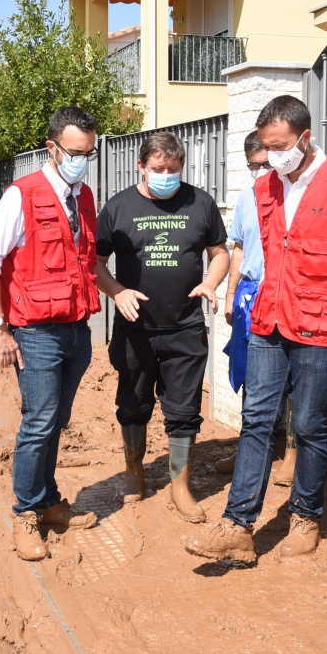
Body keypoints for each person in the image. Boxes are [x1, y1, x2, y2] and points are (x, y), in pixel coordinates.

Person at [186, 94, 327, 564]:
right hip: (270, 318)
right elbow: (255, 249)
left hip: (321, 324)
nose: (274, 157)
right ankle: (237, 524)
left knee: (311, 424)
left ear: (305, 137)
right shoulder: (265, 189)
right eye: (267, 148)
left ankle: (306, 515)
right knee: (257, 418)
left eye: (281, 147)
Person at [0, 106, 102, 562]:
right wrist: (0, 328)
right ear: (52, 148)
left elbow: (85, 261)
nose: (82, 161)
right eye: (75, 152)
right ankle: (25, 512)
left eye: (89, 153)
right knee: (39, 421)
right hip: (35, 332)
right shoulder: (21, 195)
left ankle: (47, 502)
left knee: (56, 420)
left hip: (76, 330)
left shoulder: (83, 197)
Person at [94, 132, 229, 522]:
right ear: (141, 166)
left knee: (184, 410)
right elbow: (95, 262)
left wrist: (210, 282)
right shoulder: (118, 207)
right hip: (135, 328)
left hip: (185, 327)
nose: (166, 175)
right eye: (158, 169)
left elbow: (219, 252)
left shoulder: (199, 202)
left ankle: (180, 485)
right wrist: (117, 291)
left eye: (173, 169)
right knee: (132, 404)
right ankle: (134, 471)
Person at [215, 130, 295, 488]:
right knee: (251, 374)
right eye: (253, 165)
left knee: (293, 378)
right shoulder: (247, 197)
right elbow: (240, 247)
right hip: (251, 296)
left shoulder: (294, 193)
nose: (261, 170)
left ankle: (291, 453)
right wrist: (231, 293)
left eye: (266, 162)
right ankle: (251, 447)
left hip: (288, 296)